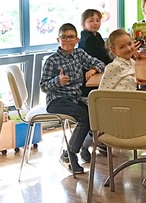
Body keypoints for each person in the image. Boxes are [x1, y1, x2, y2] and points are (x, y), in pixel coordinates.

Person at [98, 29, 146, 189]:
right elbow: (101, 96)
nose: (128, 48)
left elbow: (122, 80)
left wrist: (133, 80)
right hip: (124, 116)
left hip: (132, 110)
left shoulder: (130, 63)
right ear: (113, 51)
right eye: (122, 47)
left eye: (129, 44)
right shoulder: (113, 67)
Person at [40, 23, 106, 174]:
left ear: (76, 40)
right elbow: (43, 86)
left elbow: (100, 63)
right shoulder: (52, 60)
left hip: (74, 98)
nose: (67, 40)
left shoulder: (79, 54)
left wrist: (93, 69)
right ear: (58, 39)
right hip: (57, 100)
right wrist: (58, 81)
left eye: (71, 37)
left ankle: (80, 147)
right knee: (84, 117)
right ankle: (70, 154)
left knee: (95, 113)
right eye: (64, 37)